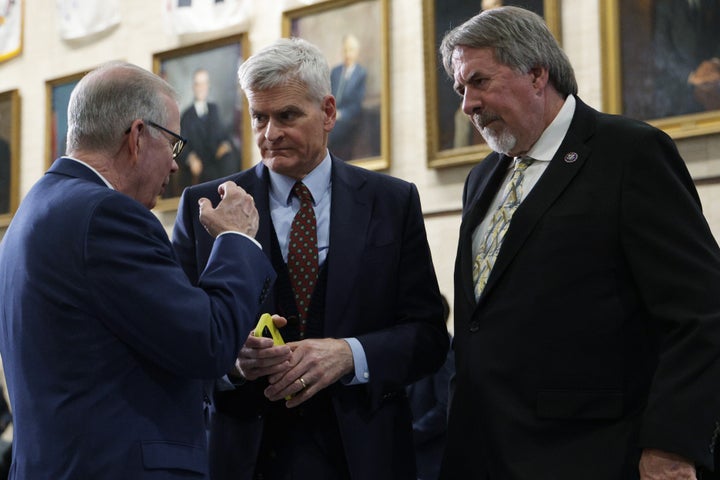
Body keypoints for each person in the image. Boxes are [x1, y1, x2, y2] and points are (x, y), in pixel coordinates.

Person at [439, 6, 720, 480]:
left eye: (479, 82)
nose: (467, 104)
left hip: (593, 453)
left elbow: (702, 313)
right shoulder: (481, 177)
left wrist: (673, 446)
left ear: (536, 73)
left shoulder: (629, 153)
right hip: (484, 450)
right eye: (461, 89)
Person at [173, 37, 449, 480]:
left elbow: (428, 336)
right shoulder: (205, 205)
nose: (269, 133)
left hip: (366, 455)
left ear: (328, 112)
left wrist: (349, 354)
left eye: (287, 116)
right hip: (245, 458)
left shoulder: (391, 202)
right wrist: (231, 365)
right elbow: (174, 344)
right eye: (259, 117)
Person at [0, 61, 276, 479]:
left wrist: (228, 355)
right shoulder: (105, 215)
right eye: (174, 145)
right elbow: (207, 341)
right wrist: (236, 238)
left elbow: (116, 347)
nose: (174, 166)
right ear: (138, 136)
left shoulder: (33, 211)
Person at [406, 294, 454, 480]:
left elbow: (445, 407)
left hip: (431, 462)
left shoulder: (446, 351)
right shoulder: (420, 350)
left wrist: (410, 433)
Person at [174, 68, 238, 194]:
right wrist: (191, 159)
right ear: (194, 87)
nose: (201, 87)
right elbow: (180, 145)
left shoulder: (214, 109)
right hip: (201, 167)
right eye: (198, 84)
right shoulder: (187, 115)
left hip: (217, 161)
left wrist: (225, 145)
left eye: (204, 83)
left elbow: (224, 134)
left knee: (230, 158)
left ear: (208, 86)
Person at [328, 34, 367, 160]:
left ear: (357, 52)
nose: (347, 54)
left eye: (351, 50)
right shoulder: (336, 71)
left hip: (348, 119)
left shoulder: (361, 73)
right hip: (332, 116)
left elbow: (357, 105)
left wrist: (341, 114)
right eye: (345, 50)